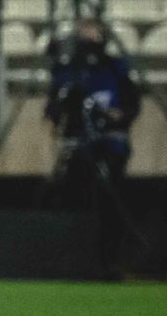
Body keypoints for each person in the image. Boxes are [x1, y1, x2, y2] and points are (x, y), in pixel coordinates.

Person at [45, 17, 141, 277]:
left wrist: (117, 116)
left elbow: (131, 105)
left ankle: (110, 261)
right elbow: (54, 108)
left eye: (93, 34)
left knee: (110, 203)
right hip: (77, 147)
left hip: (109, 145)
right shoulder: (68, 71)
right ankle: (71, 261)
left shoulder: (115, 68)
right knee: (73, 200)